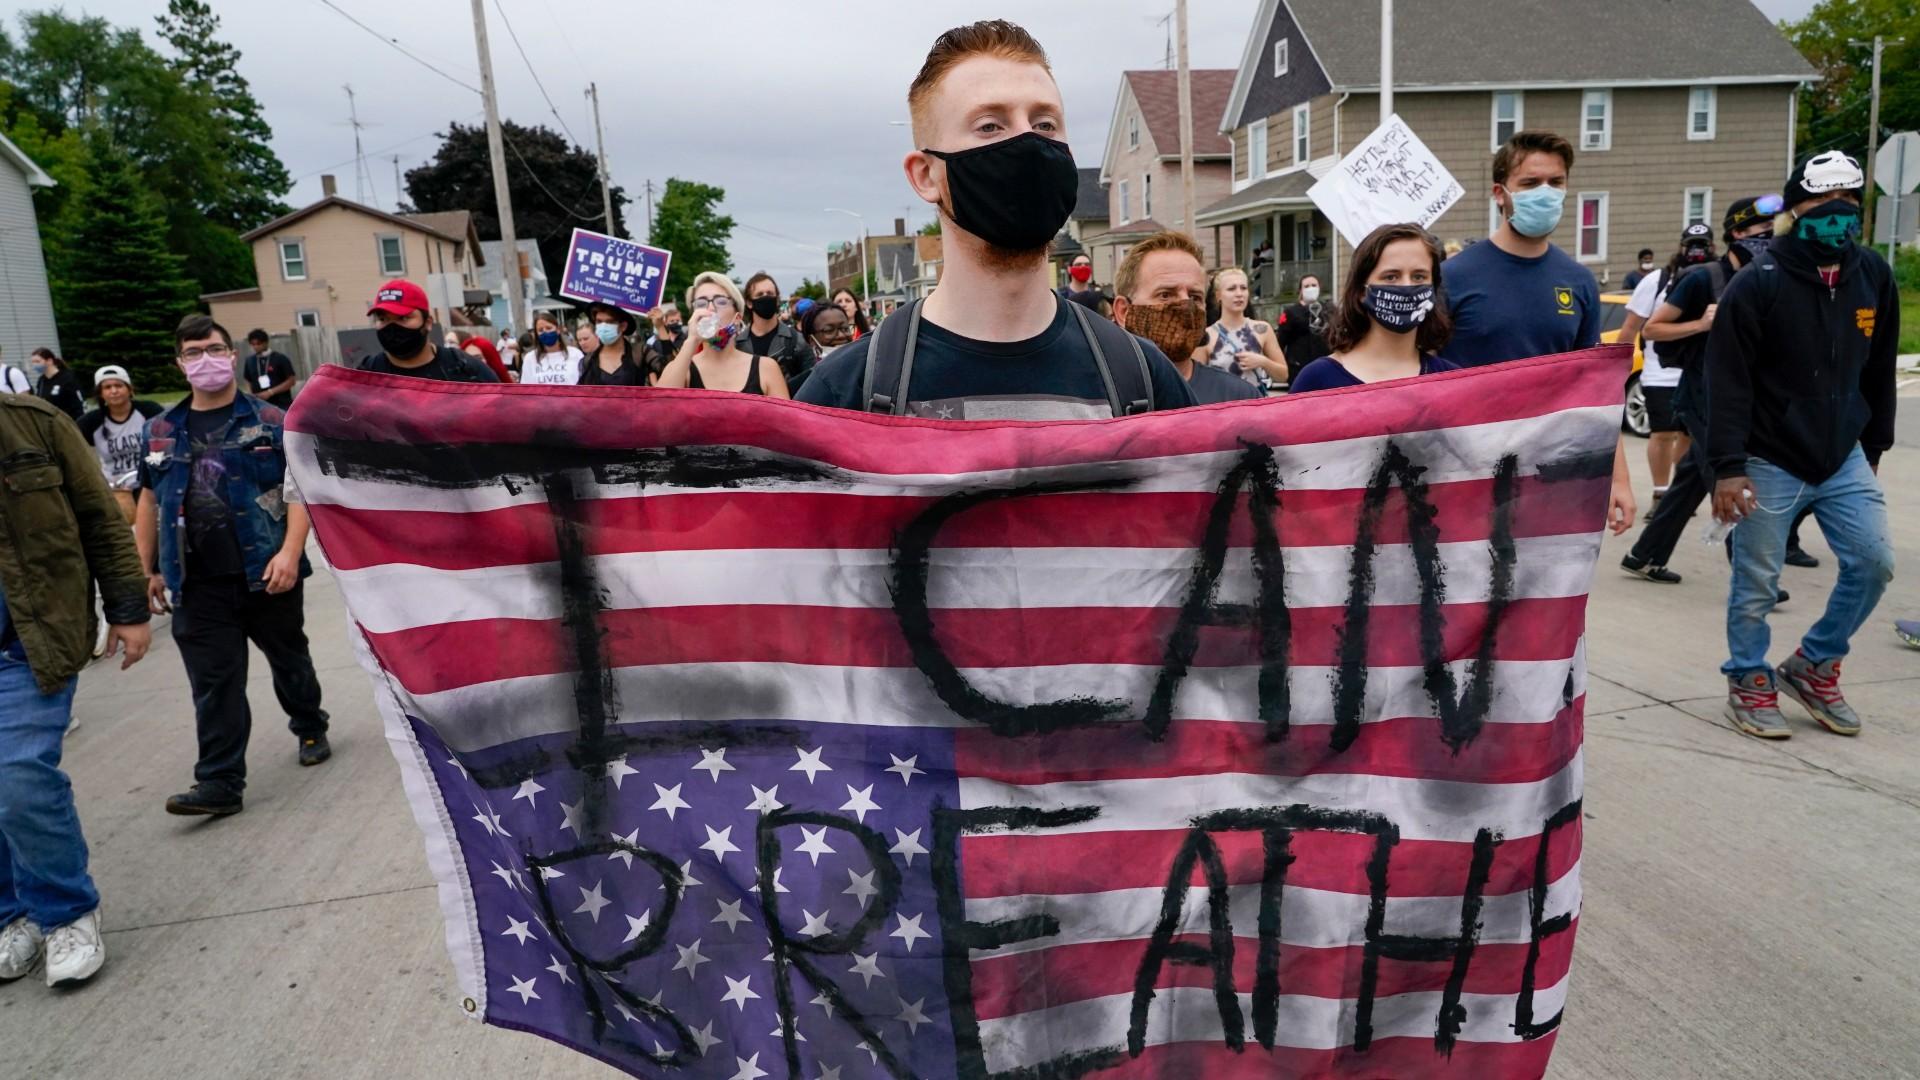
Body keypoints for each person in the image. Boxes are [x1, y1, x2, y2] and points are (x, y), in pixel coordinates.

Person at [798, 20, 1195, 419]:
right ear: (925, 175)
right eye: (990, 126)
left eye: (1045, 125)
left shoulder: (1141, 377)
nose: (1029, 144)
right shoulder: (846, 390)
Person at [1708, 151, 1898, 740]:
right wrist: (1727, 467)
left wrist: (1874, 444)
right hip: (1768, 458)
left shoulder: (1872, 274)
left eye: (1849, 204)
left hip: (1842, 453)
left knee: (1874, 563)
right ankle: (1747, 677)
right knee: (1758, 579)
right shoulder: (1758, 282)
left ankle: (1813, 664)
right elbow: (1728, 381)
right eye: (1823, 205)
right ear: (1796, 209)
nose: (1838, 215)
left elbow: (1880, 368)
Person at [132, 315, 331, 816]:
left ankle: (309, 725)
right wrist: (146, 569)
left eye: (215, 349)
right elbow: (150, 502)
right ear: (180, 364)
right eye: (194, 352)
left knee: (290, 660)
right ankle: (220, 782)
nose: (207, 360)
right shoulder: (160, 431)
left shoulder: (271, 421)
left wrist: (290, 552)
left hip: (266, 572)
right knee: (214, 684)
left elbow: (299, 491)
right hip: (197, 583)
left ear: (232, 354)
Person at [0, 388, 151, 989]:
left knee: (17, 777)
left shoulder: (35, 425)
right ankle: (13, 913)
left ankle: (65, 912)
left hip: (29, 640)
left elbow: (100, 518)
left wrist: (127, 607)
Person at [1439, 130, 1632, 533]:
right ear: (1500, 193)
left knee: (1535, 593)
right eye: (1529, 183)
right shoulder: (1453, 277)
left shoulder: (1578, 282)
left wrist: (1619, 479)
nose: (1545, 193)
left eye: (1555, 182)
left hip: (1548, 474)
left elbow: (1595, 392)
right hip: (1462, 472)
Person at [1623, 198, 1782, 585]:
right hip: (1700, 392)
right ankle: (1754, 578)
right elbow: (1653, 329)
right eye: (1753, 232)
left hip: (1740, 393)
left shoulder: (1769, 276)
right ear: (1734, 236)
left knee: (1692, 476)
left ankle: (1644, 555)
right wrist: (1701, 323)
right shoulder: (1701, 278)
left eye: (1769, 231)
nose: (1763, 238)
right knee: (1726, 479)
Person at [1289, 223, 1461, 394]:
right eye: (1391, 277)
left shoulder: (1454, 382)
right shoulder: (1318, 380)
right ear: (1361, 291)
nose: (1407, 287)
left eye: (1419, 276)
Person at [1621, 225, 1715, 514]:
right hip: (1660, 372)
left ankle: (1678, 493)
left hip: (1701, 373)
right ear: (1681, 246)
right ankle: (1660, 494)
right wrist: (1617, 369)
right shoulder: (1657, 281)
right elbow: (1631, 328)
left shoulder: (1718, 278)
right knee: (1662, 433)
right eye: (1691, 245)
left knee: (1689, 436)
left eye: (1703, 245)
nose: (1697, 251)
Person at [1112, 232, 1261, 406]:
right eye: (1165, 295)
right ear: (1124, 311)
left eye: (1195, 297)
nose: (1185, 305)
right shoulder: (1098, 400)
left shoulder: (1240, 399)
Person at [656, 272, 791, 398]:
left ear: (737, 318)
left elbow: (786, 421)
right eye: (701, 303)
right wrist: (691, 341)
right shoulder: (683, 369)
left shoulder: (766, 368)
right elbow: (658, 409)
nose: (711, 309)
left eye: (721, 302)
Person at [359, 280, 498, 383]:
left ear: (428, 323)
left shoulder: (465, 369)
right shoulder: (365, 376)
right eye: (383, 318)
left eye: (403, 317)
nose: (392, 327)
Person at [76, 366, 163, 522]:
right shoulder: (91, 422)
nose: (114, 391)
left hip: (150, 482)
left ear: (129, 389)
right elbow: (72, 449)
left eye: (119, 385)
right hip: (117, 488)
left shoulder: (150, 411)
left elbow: (168, 442)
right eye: (107, 387)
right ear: (101, 394)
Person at [1199, 267, 1289, 392]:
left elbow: (1283, 375)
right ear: (1218, 295)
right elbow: (1196, 382)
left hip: (1255, 404)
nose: (1239, 294)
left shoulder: (1263, 329)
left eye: (1243, 288)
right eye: (1231, 289)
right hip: (1222, 404)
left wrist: (1263, 362)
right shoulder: (1207, 335)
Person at [742, 272, 816, 393]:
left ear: (777, 300)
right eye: (760, 294)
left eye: (770, 294)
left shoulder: (798, 341)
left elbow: (811, 385)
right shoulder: (738, 345)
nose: (766, 297)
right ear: (749, 303)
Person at [1272, 273, 1337, 386]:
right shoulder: (1291, 312)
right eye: (1306, 286)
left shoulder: (1328, 309)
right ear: (1300, 290)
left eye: (1314, 285)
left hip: (1325, 365)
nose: (1311, 288)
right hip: (1299, 368)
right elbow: (1280, 341)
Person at [577, 302, 648, 386]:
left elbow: (664, 370)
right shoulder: (588, 362)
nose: (603, 326)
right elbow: (582, 394)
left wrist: (660, 327)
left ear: (623, 326)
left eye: (609, 322)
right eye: (599, 321)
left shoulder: (639, 353)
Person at [521, 311, 584, 386]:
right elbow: (525, 389)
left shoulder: (575, 354)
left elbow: (586, 384)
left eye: (548, 328)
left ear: (558, 330)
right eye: (540, 330)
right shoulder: (530, 358)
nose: (545, 332)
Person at [241, 330, 298, 410]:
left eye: (258, 344)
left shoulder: (280, 358)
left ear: (266, 343)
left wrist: (270, 392)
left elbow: (291, 380)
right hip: (259, 405)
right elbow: (247, 380)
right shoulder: (250, 361)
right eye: (253, 344)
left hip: (281, 404)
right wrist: (251, 395)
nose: (255, 347)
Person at [28, 350, 83, 422]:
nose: (35, 365)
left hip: (68, 422)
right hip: (51, 422)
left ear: (49, 361)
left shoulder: (67, 378)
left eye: (37, 361)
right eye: (33, 362)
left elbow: (78, 404)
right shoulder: (41, 381)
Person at [642, 304, 687, 384]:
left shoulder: (687, 341)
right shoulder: (656, 343)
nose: (675, 323)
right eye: (672, 321)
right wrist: (656, 386)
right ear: (665, 323)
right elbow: (651, 369)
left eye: (678, 321)